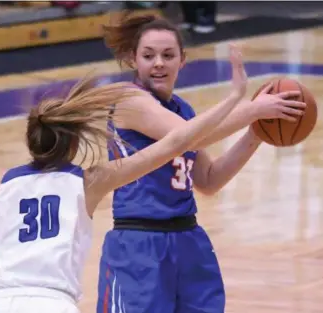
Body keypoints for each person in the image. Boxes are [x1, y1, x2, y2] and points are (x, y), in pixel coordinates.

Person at [0, 63, 247, 313]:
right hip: (52, 303)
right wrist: (233, 100)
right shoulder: (88, 182)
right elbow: (171, 144)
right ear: (72, 145)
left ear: (29, 141)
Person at [97, 13, 307, 313]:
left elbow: (209, 179)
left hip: (188, 240)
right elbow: (186, 140)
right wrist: (247, 106)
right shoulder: (130, 100)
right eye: (149, 55)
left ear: (182, 61)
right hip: (139, 243)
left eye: (168, 55)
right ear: (133, 59)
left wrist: (257, 133)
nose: (159, 62)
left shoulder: (183, 109)